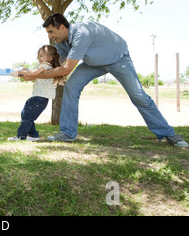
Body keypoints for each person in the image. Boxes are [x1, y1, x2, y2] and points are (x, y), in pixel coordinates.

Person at [21, 13, 188, 147]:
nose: (50, 37)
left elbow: (66, 68)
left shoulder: (81, 34)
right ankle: (67, 133)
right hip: (94, 63)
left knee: (138, 95)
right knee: (71, 87)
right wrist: (32, 73)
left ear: (63, 27)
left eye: (51, 32)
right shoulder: (62, 42)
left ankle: (168, 134)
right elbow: (56, 66)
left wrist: (35, 75)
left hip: (118, 59)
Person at [8, 45, 65, 141]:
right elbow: (30, 77)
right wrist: (21, 74)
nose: (39, 58)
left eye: (41, 56)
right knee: (25, 114)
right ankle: (33, 135)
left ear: (50, 58)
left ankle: (21, 136)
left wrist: (19, 71)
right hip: (37, 97)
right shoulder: (42, 68)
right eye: (38, 56)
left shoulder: (46, 65)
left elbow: (33, 73)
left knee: (28, 116)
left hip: (40, 98)